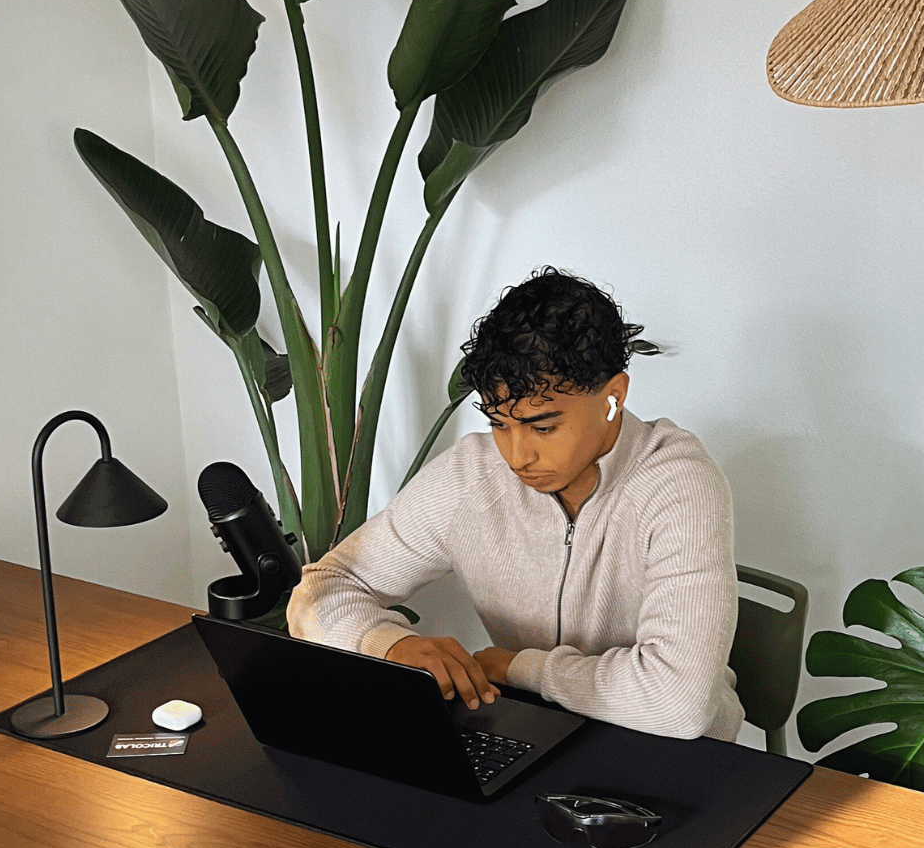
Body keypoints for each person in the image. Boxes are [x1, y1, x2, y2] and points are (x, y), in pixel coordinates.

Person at [288, 269, 743, 742]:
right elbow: (324, 587)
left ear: (613, 397)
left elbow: (678, 704)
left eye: (543, 427)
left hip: (679, 760)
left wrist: (522, 668)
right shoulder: (470, 477)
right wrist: (390, 644)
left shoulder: (679, 484)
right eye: (500, 425)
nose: (517, 456)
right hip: (531, 735)